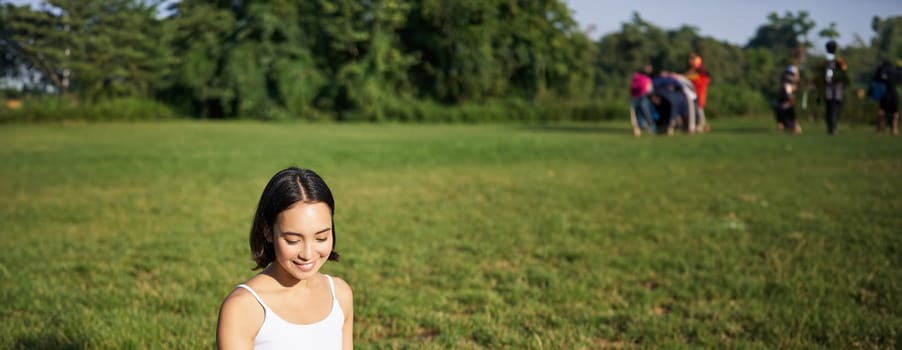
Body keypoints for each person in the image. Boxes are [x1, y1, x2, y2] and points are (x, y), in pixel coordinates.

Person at [217, 167, 353, 350]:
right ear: (268, 232)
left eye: (321, 238)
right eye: (293, 240)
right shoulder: (243, 308)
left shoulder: (340, 295)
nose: (307, 253)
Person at [816, 40, 849, 135]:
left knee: (830, 110)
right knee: (834, 110)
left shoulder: (825, 62)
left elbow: (820, 75)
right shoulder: (839, 61)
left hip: (829, 89)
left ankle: (831, 128)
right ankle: (832, 128)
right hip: (836, 90)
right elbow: (845, 72)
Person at [685, 53, 711, 133]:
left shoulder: (699, 68)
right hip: (696, 90)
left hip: (700, 90)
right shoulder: (696, 68)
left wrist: (686, 77)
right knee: (699, 108)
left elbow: (692, 77)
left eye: (690, 60)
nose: (689, 61)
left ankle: (702, 124)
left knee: (699, 107)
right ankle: (702, 124)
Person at [872, 60, 899, 135]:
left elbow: (875, 78)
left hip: (883, 93)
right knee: (895, 112)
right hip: (894, 93)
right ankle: (894, 129)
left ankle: (880, 129)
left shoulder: (881, 70)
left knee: (882, 111)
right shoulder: (894, 70)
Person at [774, 64, 802, 134]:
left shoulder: (788, 81)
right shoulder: (788, 82)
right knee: (795, 127)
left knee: (783, 125)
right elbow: (788, 95)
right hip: (785, 106)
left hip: (781, 105)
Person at [629, 64, 656, 136]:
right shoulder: (638, 76)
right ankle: (639, 128)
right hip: (637, 97)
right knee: (636, 115)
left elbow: (649, 89)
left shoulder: (648, 77)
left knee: (646, 112)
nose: (649, 70)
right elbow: (632, 87)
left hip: (643, 96)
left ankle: (650, 127)